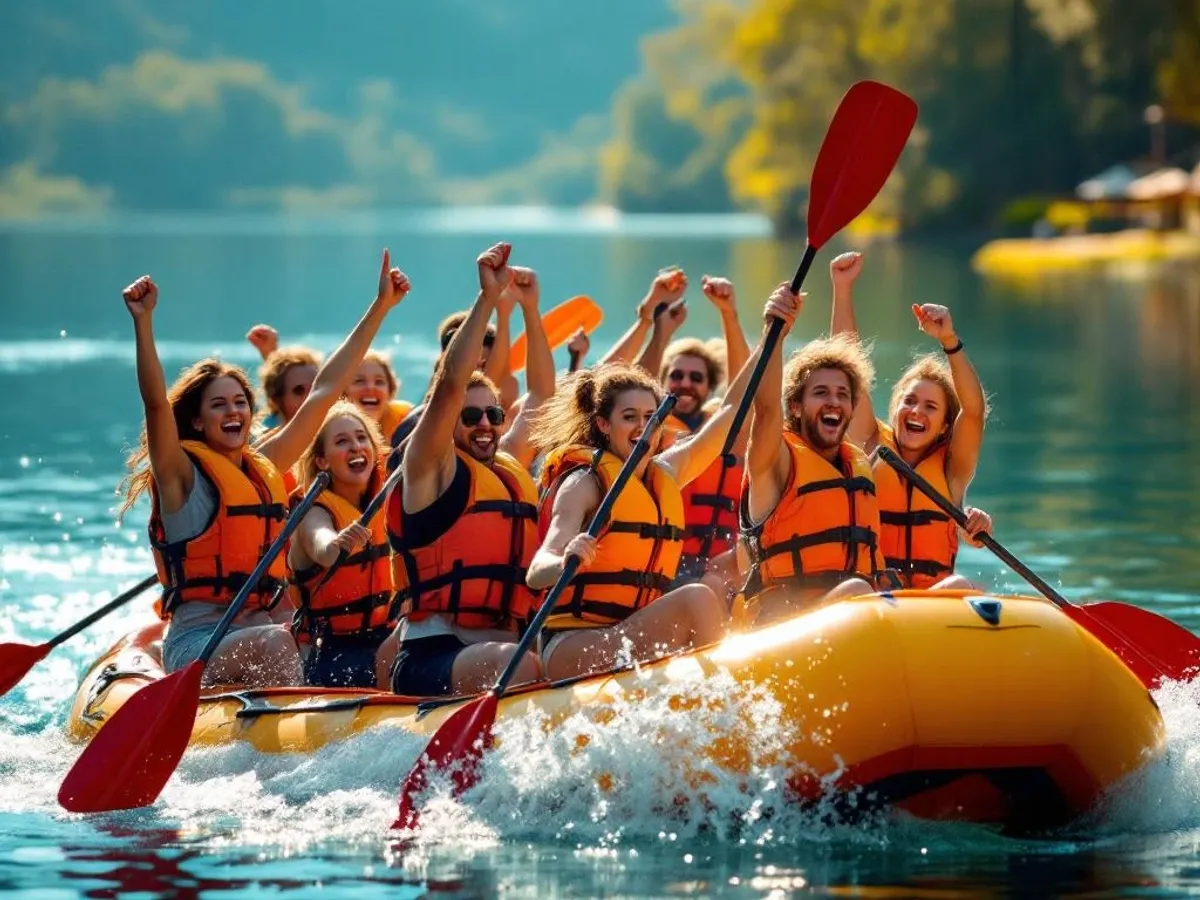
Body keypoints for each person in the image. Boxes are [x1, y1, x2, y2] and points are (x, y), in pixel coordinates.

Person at [117, 250, 410, 687]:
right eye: (219, 404)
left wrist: (381, 307)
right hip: (199, 641)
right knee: (278, 640)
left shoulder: (265, 464)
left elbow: (326, 390)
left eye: (241, 403)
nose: (234, 412)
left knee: (289, 634)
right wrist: (143, 323)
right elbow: (157, 404)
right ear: (197, 420)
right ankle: (295, 738)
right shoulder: (179, 475)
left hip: (267, 630)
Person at [526, 313, 774, 681]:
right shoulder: (584, 482)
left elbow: (731, 411)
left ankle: (717, 697)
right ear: (603, 424)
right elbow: (536, 571)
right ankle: (729, 701)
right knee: (696, 598)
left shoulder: (667, 472)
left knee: (711, 595)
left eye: (650, 417)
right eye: (629, 417)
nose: (643, 427)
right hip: (573, 643)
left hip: (631, 633)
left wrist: (773, 331)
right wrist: (565, 560)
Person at [386, 243, 554, 697]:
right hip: (433, 656)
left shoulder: (506, 465)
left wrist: (531, 311)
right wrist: (488, 300)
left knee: (536, 658)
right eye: (471, 415)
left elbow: (540, 395)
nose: (484, 425)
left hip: (510, 646)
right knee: (520, 664)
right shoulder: (427, 468)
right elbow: (450, 384)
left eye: (494, 416)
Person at [828, 251, 992, 589]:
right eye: (909, 401)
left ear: (946, 423)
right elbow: (847, 368)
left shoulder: (951, 468)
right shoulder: (872, 446)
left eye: (931, 407)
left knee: (963, 586)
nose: (916, 411)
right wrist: (842, 289)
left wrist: (949, 341)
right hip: (875, 597)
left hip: (929, 606)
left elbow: (973, 411)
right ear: (895, 409)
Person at [739, 284, 883, 625]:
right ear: (797, 407)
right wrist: (774, 333)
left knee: (957, 586)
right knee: (857, 594)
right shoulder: (775, 461)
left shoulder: (856, 462)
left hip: (857, 615)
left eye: (842, 394)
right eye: (820, 392)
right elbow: (767, 408)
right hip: (784, 628)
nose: (834, 401)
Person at [288, 401, 398, 688]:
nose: (355, 447)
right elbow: (323, 547)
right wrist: (338, 542)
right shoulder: (313, 512)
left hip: (384, 639)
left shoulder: (390, 503)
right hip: (331, 654)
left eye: (362, 438)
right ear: (322, 461)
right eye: (341, 441)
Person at [654, 275, 751, 591]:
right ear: (661, 382)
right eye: (676, 375)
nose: (684, 383)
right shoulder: (645, 431)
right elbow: (626, 378)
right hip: (662, 564)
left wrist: (729, 315)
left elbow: (743, 393)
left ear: (710, 388)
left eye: (696, 377)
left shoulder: (725, 432)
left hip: (721, 566)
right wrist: (659, 330)